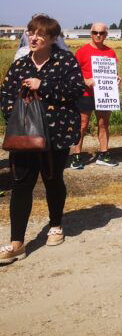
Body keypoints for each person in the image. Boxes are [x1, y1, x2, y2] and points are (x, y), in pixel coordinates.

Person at [0, 14, 86, 265]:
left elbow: (75, 90)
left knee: (52, 179)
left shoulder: (65, 62)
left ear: (52, 39)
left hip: (55, 134)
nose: (34, 37)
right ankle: (17, 243)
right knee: (21, 185)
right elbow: (5, 95)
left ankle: (56, 225)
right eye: (31, 32)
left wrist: (43, 84)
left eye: (40, 34)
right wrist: (14, 119)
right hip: (24, 136)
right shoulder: (20, 65)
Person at [70, 22, 119, 168]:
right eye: (95, 32)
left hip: (104, 94)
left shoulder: (110, 52)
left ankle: (103, 154)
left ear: (106, 35)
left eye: (102, 33)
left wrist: (116, 78)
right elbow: (72, 74)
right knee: (82, 125)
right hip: (85, 93)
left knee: (103, 124)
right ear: (91, 34)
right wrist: (85, 80)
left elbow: (112, 72)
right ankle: (76, 156)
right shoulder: (81, 51)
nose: (98, 35)